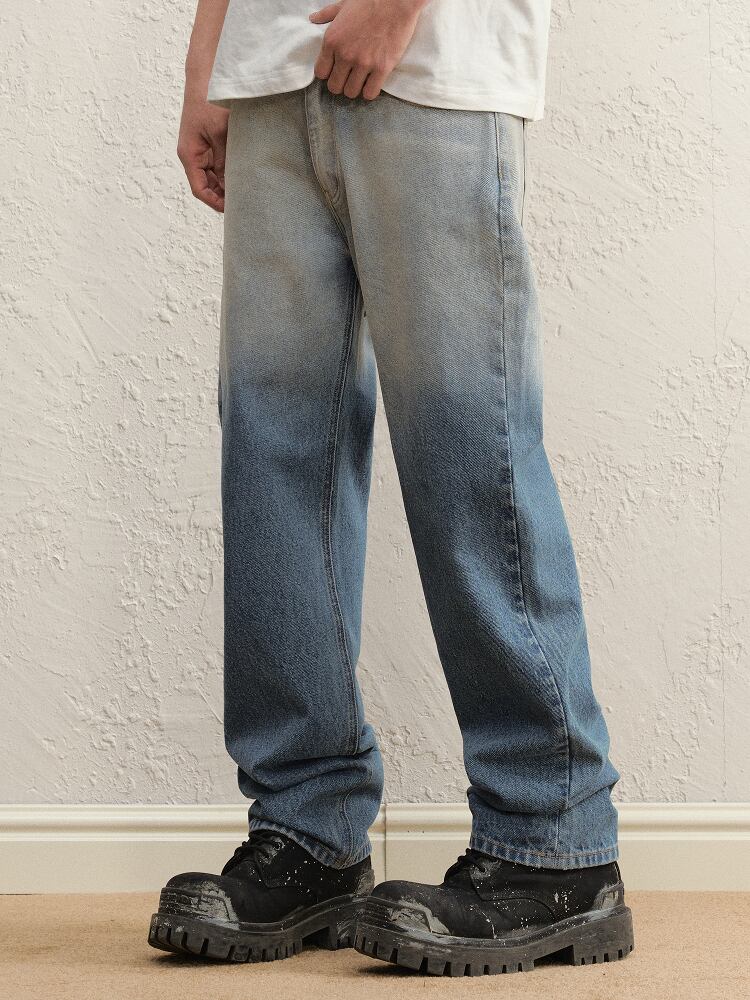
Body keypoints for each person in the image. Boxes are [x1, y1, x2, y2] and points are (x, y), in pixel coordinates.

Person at [148, 0, 634, 976]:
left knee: (470, 446)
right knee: (273, 454)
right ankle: (309, 829)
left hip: (431, 62)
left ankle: (556, 842)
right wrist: (211, 57)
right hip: (268, 70)